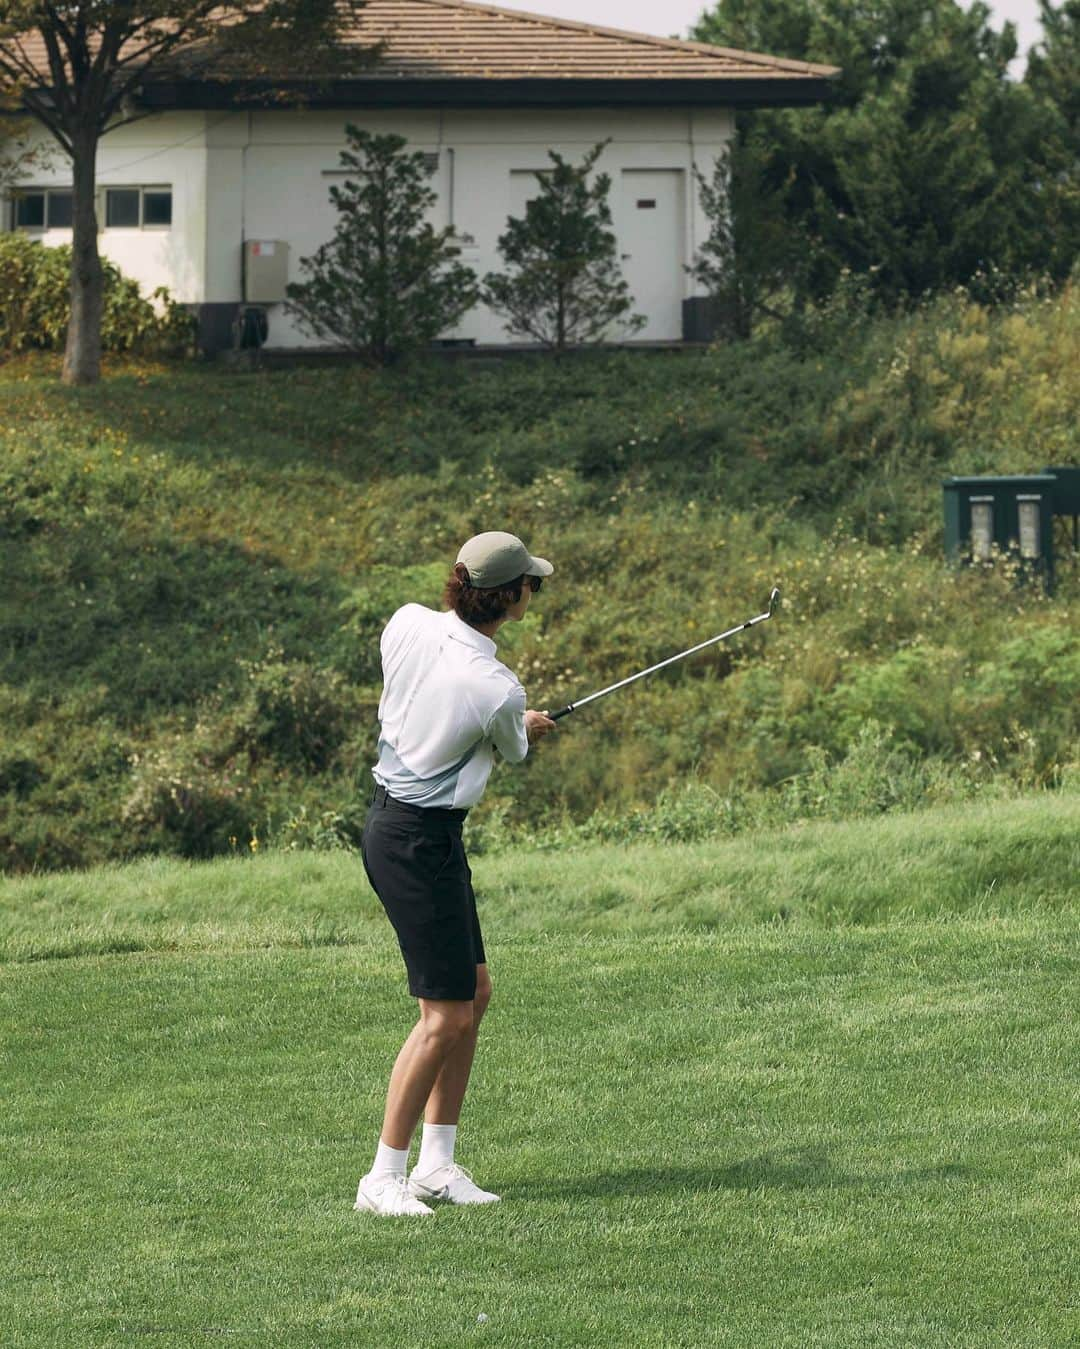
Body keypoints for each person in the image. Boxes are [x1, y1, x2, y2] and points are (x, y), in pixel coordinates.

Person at [354, 531, 556, 1218]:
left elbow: (454, 712)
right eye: (533, 583)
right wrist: (527, 725)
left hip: (403, 829)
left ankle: (437, 1164)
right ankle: (383, 1176)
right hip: (418, 841)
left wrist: (510, 723)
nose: (535, 590)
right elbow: (514, 748)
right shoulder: (497, 685)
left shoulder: (406, 621)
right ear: (509, 597)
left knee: (474, 990)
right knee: (443, 1016)